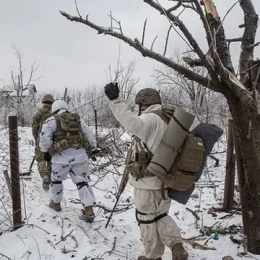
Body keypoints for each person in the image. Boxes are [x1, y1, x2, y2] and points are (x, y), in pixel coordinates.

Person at [104, 83, 188, 260]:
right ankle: (176, 245)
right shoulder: (170, 120)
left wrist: (115, 100)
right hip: (165, 180)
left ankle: (152, 256)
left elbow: (132, 123)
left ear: (143, 103)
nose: (138, 108)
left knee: (146, 218)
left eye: (138, 105)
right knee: (160, 215)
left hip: (146, 183)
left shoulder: (150, 119)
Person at [39, 100, 97, 223]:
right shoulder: (78, 119)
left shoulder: (51, 120)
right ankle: (88, 208)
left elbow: (44, 142)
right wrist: (92, 148)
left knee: (56, 180)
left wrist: (47, 151)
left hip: (60, 159)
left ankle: (56, 203)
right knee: (82, 182)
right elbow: (89, 136)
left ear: (54, 109)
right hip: (80, 157)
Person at [32, 94, 54, 191]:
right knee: (51, 159)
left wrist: (36, 138)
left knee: (41, 159)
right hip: (53, 141)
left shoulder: (38, 113)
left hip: (41, 140)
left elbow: (34, 128)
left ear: (43, 102)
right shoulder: (55, 113)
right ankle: (51, 178)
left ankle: (44, 177)